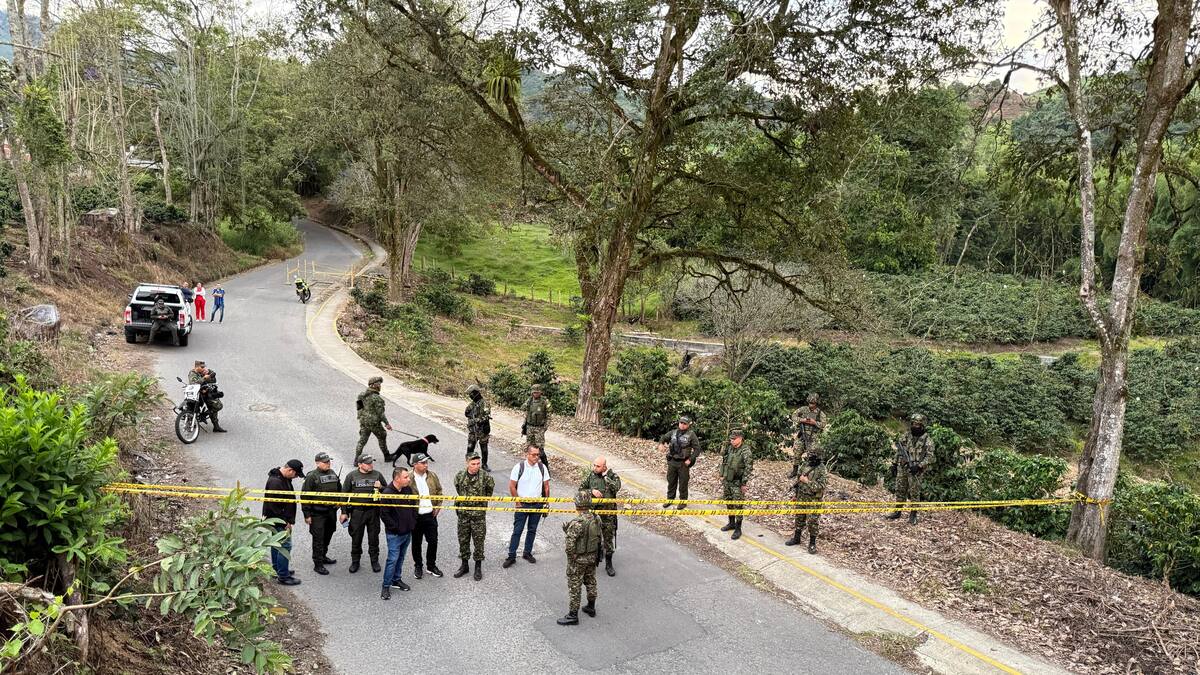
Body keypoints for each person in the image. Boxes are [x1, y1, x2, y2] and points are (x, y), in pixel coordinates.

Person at [557, 490, 602, 626]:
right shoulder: (596, 518)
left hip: (579, 559)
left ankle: (573, 615)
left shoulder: (577, 523)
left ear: (577, 504)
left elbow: (569, 545)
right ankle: (591, 606)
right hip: (592, 557)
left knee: (575, 586)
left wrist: (572, 557)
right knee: (591, 581)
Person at [503, 445, 550, 568]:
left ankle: (527, 553)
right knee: (517, 530)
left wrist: (546, 503)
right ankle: (511, 555)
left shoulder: (542, 467)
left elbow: (546, 486)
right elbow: (512, 486)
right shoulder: (519, 467)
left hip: (537, 504)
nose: (536, 457)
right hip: (522, 504)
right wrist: (518, 503)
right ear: (527, 454)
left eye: (538, 455)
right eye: (534, 454)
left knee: (532, 530)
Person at [262, 459, 305, 586]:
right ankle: (283, 576)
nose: (296, 477)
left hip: (277, 519)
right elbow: (274, 507)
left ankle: (277, 569)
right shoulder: (276, 482)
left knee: (276, 544)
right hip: (278, 520)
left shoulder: (282, 478)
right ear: (289, 470)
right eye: (296, 474)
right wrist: (285, 522)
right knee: (285, 545)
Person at [887, 413, 935, 524]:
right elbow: (900, 450)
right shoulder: (906, 436)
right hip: (903, 467)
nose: (914, 426)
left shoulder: (928, 440)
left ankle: (913, 515)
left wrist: (919, 466)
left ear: (922, 425)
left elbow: (930, 457)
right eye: (913, 424)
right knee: (900, 489)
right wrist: (894, 464)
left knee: (914, 492)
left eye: (917, 424)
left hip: (916, 471)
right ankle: (897, 511)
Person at [340, 455, 385, 573]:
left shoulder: (377, 474)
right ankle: (355, 561)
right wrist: (344, 512)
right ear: (360, 465)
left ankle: (374, 561)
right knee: (356, 538)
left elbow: (388, 491)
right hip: (357, 512)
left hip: (373, 511)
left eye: (371, 462)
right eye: (368, 463)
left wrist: (381, 487)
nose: (371, 465)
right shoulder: (351, 476)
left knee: (374, 538)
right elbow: (344, 495)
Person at [453, 451, 494, 581]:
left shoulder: (486, 477)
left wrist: (480, 504)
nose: (476, 466)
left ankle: (478, 567)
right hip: (464, 515)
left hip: (478, 516)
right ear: (467, 463)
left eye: (478, 463)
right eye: (473, 464)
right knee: (463, 540)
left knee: (479, 541)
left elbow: (489, 492)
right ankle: (464, 565)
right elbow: (458, 489)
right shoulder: (460, 476)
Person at [579, 456, 621, 577]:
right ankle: (595, 557)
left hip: (608, 515)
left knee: (608, 539)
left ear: (604, 467)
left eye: (598, 466)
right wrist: (591, 491)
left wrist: (606, 477)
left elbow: (616, 487)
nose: (595, 468)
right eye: (594, 465)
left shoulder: (613, 476)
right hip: (594, 513)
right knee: (593, 537)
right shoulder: (591, 476)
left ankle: (609, 563)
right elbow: (580, 490)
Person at [379, 467, 417, 600]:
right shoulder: (387, 493)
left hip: (407, 532)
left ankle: (396, 579)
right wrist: (396, 528)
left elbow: (414, 506)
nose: (409, 479)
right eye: (406, 477)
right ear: (397, 479)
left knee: (401, 558)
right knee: (392, 560)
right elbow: (384, 515)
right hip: (394, 534)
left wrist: (412, 522)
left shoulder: (407, 489)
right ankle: (386, 586)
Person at [301, 451, 341, 575]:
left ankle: (323, 556)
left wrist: (339, 502)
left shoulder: (333, 473)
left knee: (328, 534)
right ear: (317, 463)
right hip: (317, 513)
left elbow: (340, 490)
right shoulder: (312, 477)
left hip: (331, 512)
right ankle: (318, 564)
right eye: (325, 462)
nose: (328, 464)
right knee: (318, 538)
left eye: (329, 461)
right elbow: (305, 497)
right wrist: (307, 515)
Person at [409, 453, 444, 580]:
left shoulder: (432, 475)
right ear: (414, 464)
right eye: (423, 463)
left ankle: (431, 565)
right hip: (415, 517)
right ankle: (418, 566)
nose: (426, 465)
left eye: (426, 462)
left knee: (433, 541)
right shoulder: (408, 477)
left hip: (430, 516)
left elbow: (439, 491)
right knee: (416, 543)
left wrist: (438, 506)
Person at [786, 447, 827, 553]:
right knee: (799, 517)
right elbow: (799, 481)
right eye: (809, 454)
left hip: (813, 499)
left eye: (812, 454)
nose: (809, 456)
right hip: (801, 496)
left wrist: (807, 481)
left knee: (812, 521)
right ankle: (797, 538)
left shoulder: (822, 469)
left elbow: (821, 486)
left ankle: (812, 544)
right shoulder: (805, 465)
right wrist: (796, 495)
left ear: (818, 456)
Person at [718, 429, 754, 540]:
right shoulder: (730, 448)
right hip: (728, 480)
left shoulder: (745, 451)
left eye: (734, 439)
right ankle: (731, 523)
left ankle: (738, 528)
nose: (732, 441)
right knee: (729, 501)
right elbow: (724, 459)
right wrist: (722, 474)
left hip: (738, 482)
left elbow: (749, 468)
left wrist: (744, 483)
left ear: (740, 438)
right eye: (731, 439)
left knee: (738, 504)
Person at [658, 416, 701, 509]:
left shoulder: (691, 434)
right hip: (672, 461)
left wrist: (690, 459)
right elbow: (663, 437)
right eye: (681, 423)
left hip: (683, 463)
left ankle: (683, 501)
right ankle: (670, 499)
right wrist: (661, 444)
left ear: (688, 425)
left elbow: (697, 449)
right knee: (671, 481)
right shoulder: (673, 433)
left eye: (684, 423)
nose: (682, 425)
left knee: (683, 483)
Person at [355, 376, 392, 463]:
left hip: (364, 422)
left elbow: (359, 408)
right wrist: (387, 424)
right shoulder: (377, 398)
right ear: (373, 385)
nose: (380, 386)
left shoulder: (361, 395)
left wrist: (362, 419)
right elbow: (381, 414)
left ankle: (356, 460)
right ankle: (387, 456)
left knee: (362, 441)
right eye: (378, 384)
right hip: (374, 423)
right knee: (382, 436)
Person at [790, 393, 827, 479]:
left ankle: (808, 474)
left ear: (816, 403)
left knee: (811, 456)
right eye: (810, 403)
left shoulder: (820, 413)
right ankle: (795, 471)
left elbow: (823, 424)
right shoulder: (803, 409)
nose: (811, 405)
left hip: (812, 438)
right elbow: (793, 416)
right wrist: (802, 420)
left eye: (813, 403)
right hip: (801, 435)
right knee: (796, 453)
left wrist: (815, 423)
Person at [187, 361, 226, 432]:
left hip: (206, 393)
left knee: (217, 405)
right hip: (197, 395)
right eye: (202, 367)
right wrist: (204, 378)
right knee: (191, 408)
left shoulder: (203, 372)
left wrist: (210, 373)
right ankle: (192, 422)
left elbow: (213, 380)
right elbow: (193, 383)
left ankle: (215, 426)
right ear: (197, 367)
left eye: (204, 367)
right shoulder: (192, 373)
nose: (203, 368)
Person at [521, 384, 551, 464]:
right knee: (529, 447)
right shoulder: (530, 400)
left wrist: (545, 427)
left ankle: (545, 467)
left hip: (539, 428)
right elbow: (522, 408)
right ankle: (531, 463)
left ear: (540, 393)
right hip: (530, 427)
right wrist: (527, 403)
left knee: (540, 449)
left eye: (537, 392)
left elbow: (549, 416)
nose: (535, 394)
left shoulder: (545, 402)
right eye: (534, 392)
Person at [464, 384, 492, 472]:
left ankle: (484, 464)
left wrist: (476, 420)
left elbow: (486, 416)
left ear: (476, 393)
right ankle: (469, 464)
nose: (470, 396)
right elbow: (466, 412)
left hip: (482, 430)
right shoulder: (473, 404)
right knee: (470, 447)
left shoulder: (485, 403)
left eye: (471, 394)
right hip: (473, 430)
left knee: (484, 448)